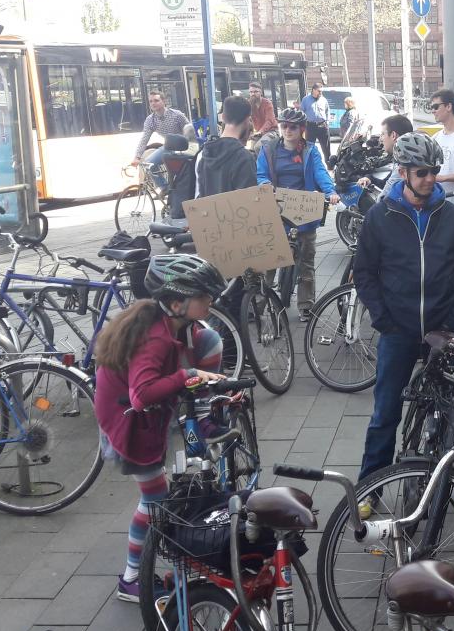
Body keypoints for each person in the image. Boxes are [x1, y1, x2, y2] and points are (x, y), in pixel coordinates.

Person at [352, 132, 454, 517]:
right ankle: (370, 487)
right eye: (422, 172)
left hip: (442, 331)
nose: (430, 178)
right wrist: (383, 318)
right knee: (385, 412)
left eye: (434, 171)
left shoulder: (453, 218)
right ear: (403, 172)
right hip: (398, 329)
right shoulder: (381, 217)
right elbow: (364, 273)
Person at [93, 254, 227, 602]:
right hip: (127, 423)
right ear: (176, 302)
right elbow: (141, 395)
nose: (210, 301)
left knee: (160, 498)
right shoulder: (155, 339)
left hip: (142, 418)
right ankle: (131, 579)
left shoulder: (171, 324)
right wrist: (187, 376)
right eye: (203, 296)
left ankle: (160, 562)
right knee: (155, 499)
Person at [255, 107, 339, 318]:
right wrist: (265, 184)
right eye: (284, 125)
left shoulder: (310, 150)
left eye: (293, 126)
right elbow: (261, 174)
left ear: (301, 129)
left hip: (304, 212)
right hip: (277, 211)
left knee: (306, 263)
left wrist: (331, 191)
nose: (288, 130)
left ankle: (306, 306)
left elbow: (320, 173)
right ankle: (260, 304)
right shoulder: (268, 150)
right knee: (269, 265)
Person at [196, 95, 258, 198]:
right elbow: (250, 202)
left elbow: (201, 197)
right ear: (248, 120)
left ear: (223, 117)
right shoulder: (244, 158)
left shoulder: (204, 155)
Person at [132, 92, 190, 190]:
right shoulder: (150, 120)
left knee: (179, 173)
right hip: (168, 146)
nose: (153, 103)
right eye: (151, 101)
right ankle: (165, 189)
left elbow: (190, 131)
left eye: (156, 100)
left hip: (183, 147)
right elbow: (144, 139)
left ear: (164, 101)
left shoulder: (177, 115)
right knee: (149, 164)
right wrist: (137, 157)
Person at [358, 114, 414, 195]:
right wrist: (369, 178)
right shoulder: (403, 157)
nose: (381, 138)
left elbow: (384, 197)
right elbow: (386, 184)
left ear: (393, 135)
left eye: (383, 134)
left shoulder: (404, 164)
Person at [301, 83, 332, 162]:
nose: (320, 93)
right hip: (311, 126)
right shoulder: (306, 99)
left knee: (326, 147)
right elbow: (301, 112)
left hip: (323, 126)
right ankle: (310, 163)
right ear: (313, 90)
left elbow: (327, 111)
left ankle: (329, 164)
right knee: (309, 147)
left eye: (321, 91)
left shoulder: (323, 99)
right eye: (319, 91)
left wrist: (327, 121)